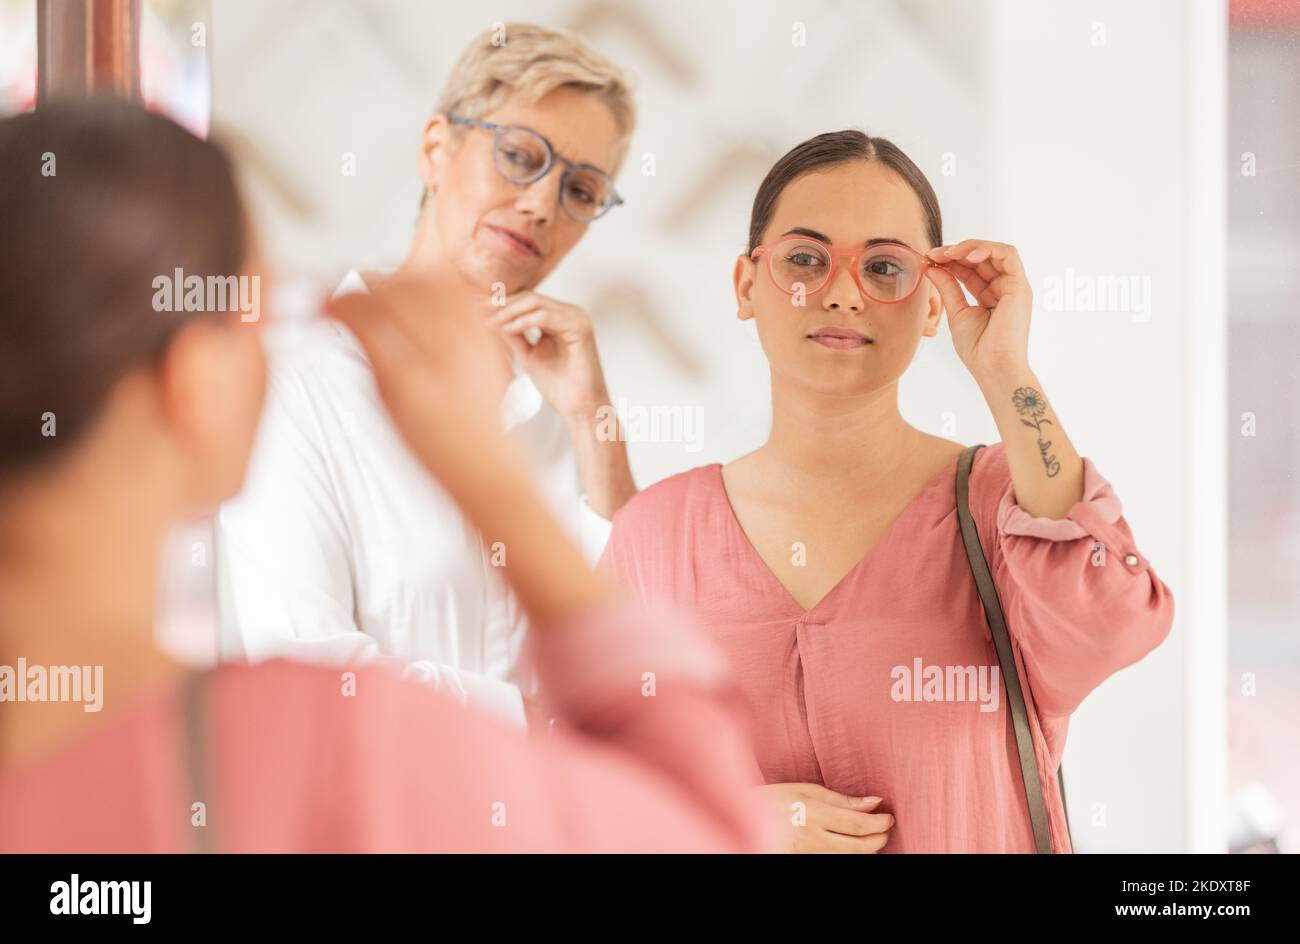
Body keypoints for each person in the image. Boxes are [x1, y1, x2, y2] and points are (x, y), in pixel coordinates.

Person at [0, 102, 772, 854]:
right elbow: (711, 831)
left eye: (580, 189)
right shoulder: (315, 749)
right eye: (261, 318)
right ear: (194, 385)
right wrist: (496, 492)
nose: (541, 204)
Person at [599, 129, 1175, 853]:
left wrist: (1006, 371)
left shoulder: (1002, 502)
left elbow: (1111, 625)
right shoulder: (659, 534)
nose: (843, 294)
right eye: (806, 260)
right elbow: (582, 788)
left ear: (931, 304)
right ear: (747, 285)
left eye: (885, 267)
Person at [217, 23, 638, 729]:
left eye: (582, 189)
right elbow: (310, 674)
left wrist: (596, 423)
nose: (542, 205)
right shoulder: (299, 376)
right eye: (519, 156)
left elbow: (636, 652)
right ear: (436, 149)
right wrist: (561, 737)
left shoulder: (555, 402)